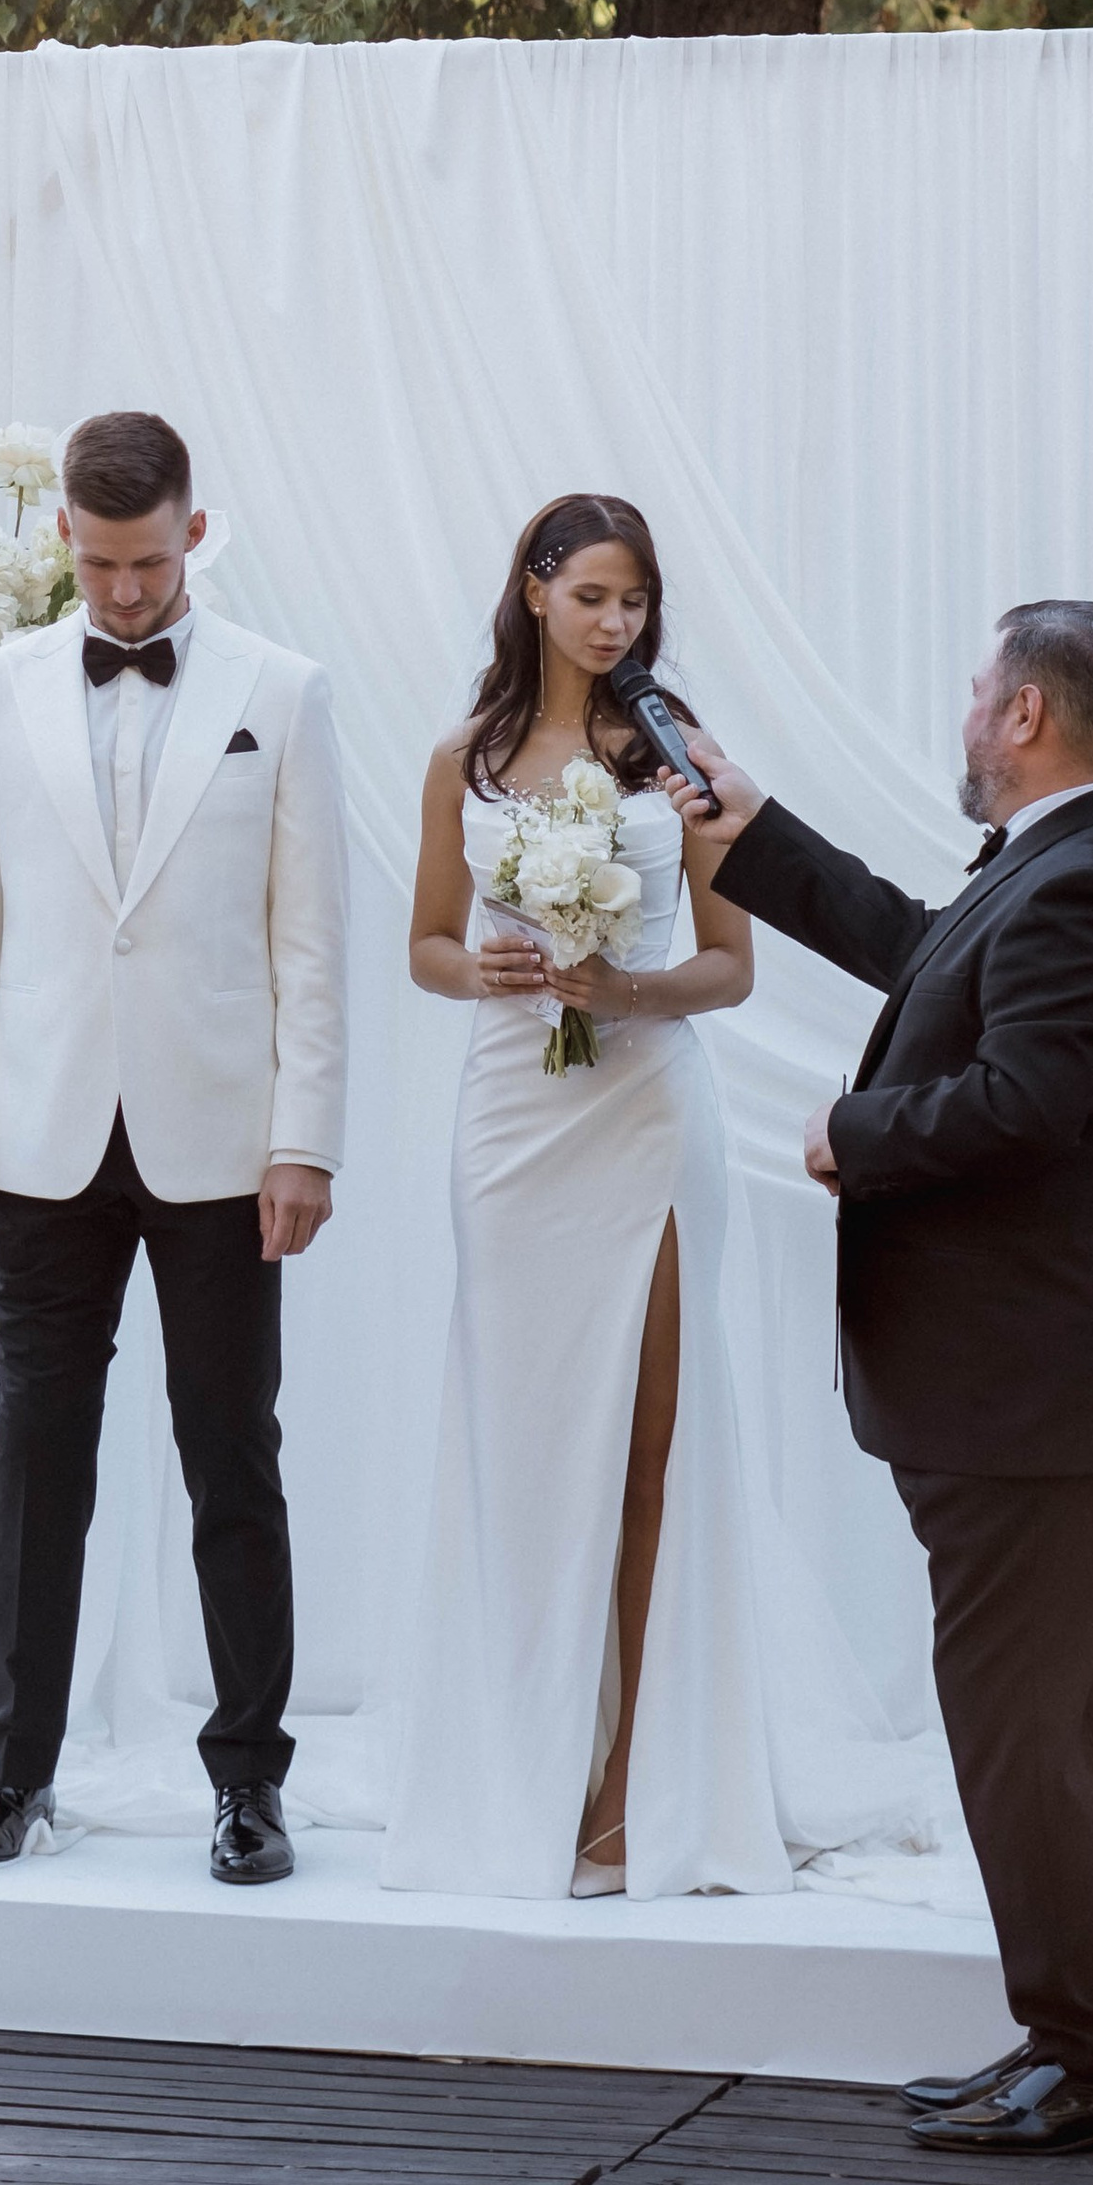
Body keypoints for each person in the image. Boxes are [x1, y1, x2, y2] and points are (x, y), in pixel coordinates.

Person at [664, 601, 1093, 2154]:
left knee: (1028, 1728)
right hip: (1018, 1379)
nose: (965, 713)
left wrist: (853, 1134)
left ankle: (1091, 2060)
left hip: (1015, 1380)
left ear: (1025, 712)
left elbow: (1027, 1102)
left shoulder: (1089, 881)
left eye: (981, 690)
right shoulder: (1071, 864)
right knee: (1058, 1721)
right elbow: (926, 958)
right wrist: (753, 831)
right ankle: (1085, 2035)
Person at [0, 410, 350, 1888]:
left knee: (233, 1453)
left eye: (149, 565)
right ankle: (9, 1772)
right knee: (38, 1455)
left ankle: (249, 1785)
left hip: (223, 1143)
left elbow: (311, 941)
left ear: (195, 535)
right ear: (62, 546)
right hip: (36, 1138)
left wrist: (307, 1142)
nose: (126, 597)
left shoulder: (281, 693)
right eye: (99, 568)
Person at [382, 493, 796, 1905]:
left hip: (646, 1112)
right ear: (536, 589)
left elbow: (734, 964)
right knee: (525, 1448)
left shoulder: (679, 758)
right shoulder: (464, 756)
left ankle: (634, 1787)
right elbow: (429, 945)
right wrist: (488, 970)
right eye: (596, 596)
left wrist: (627, 988)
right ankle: (525, 1758)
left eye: (637, 601)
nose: (617, 623)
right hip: (509, 1119)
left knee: (649, 1449)